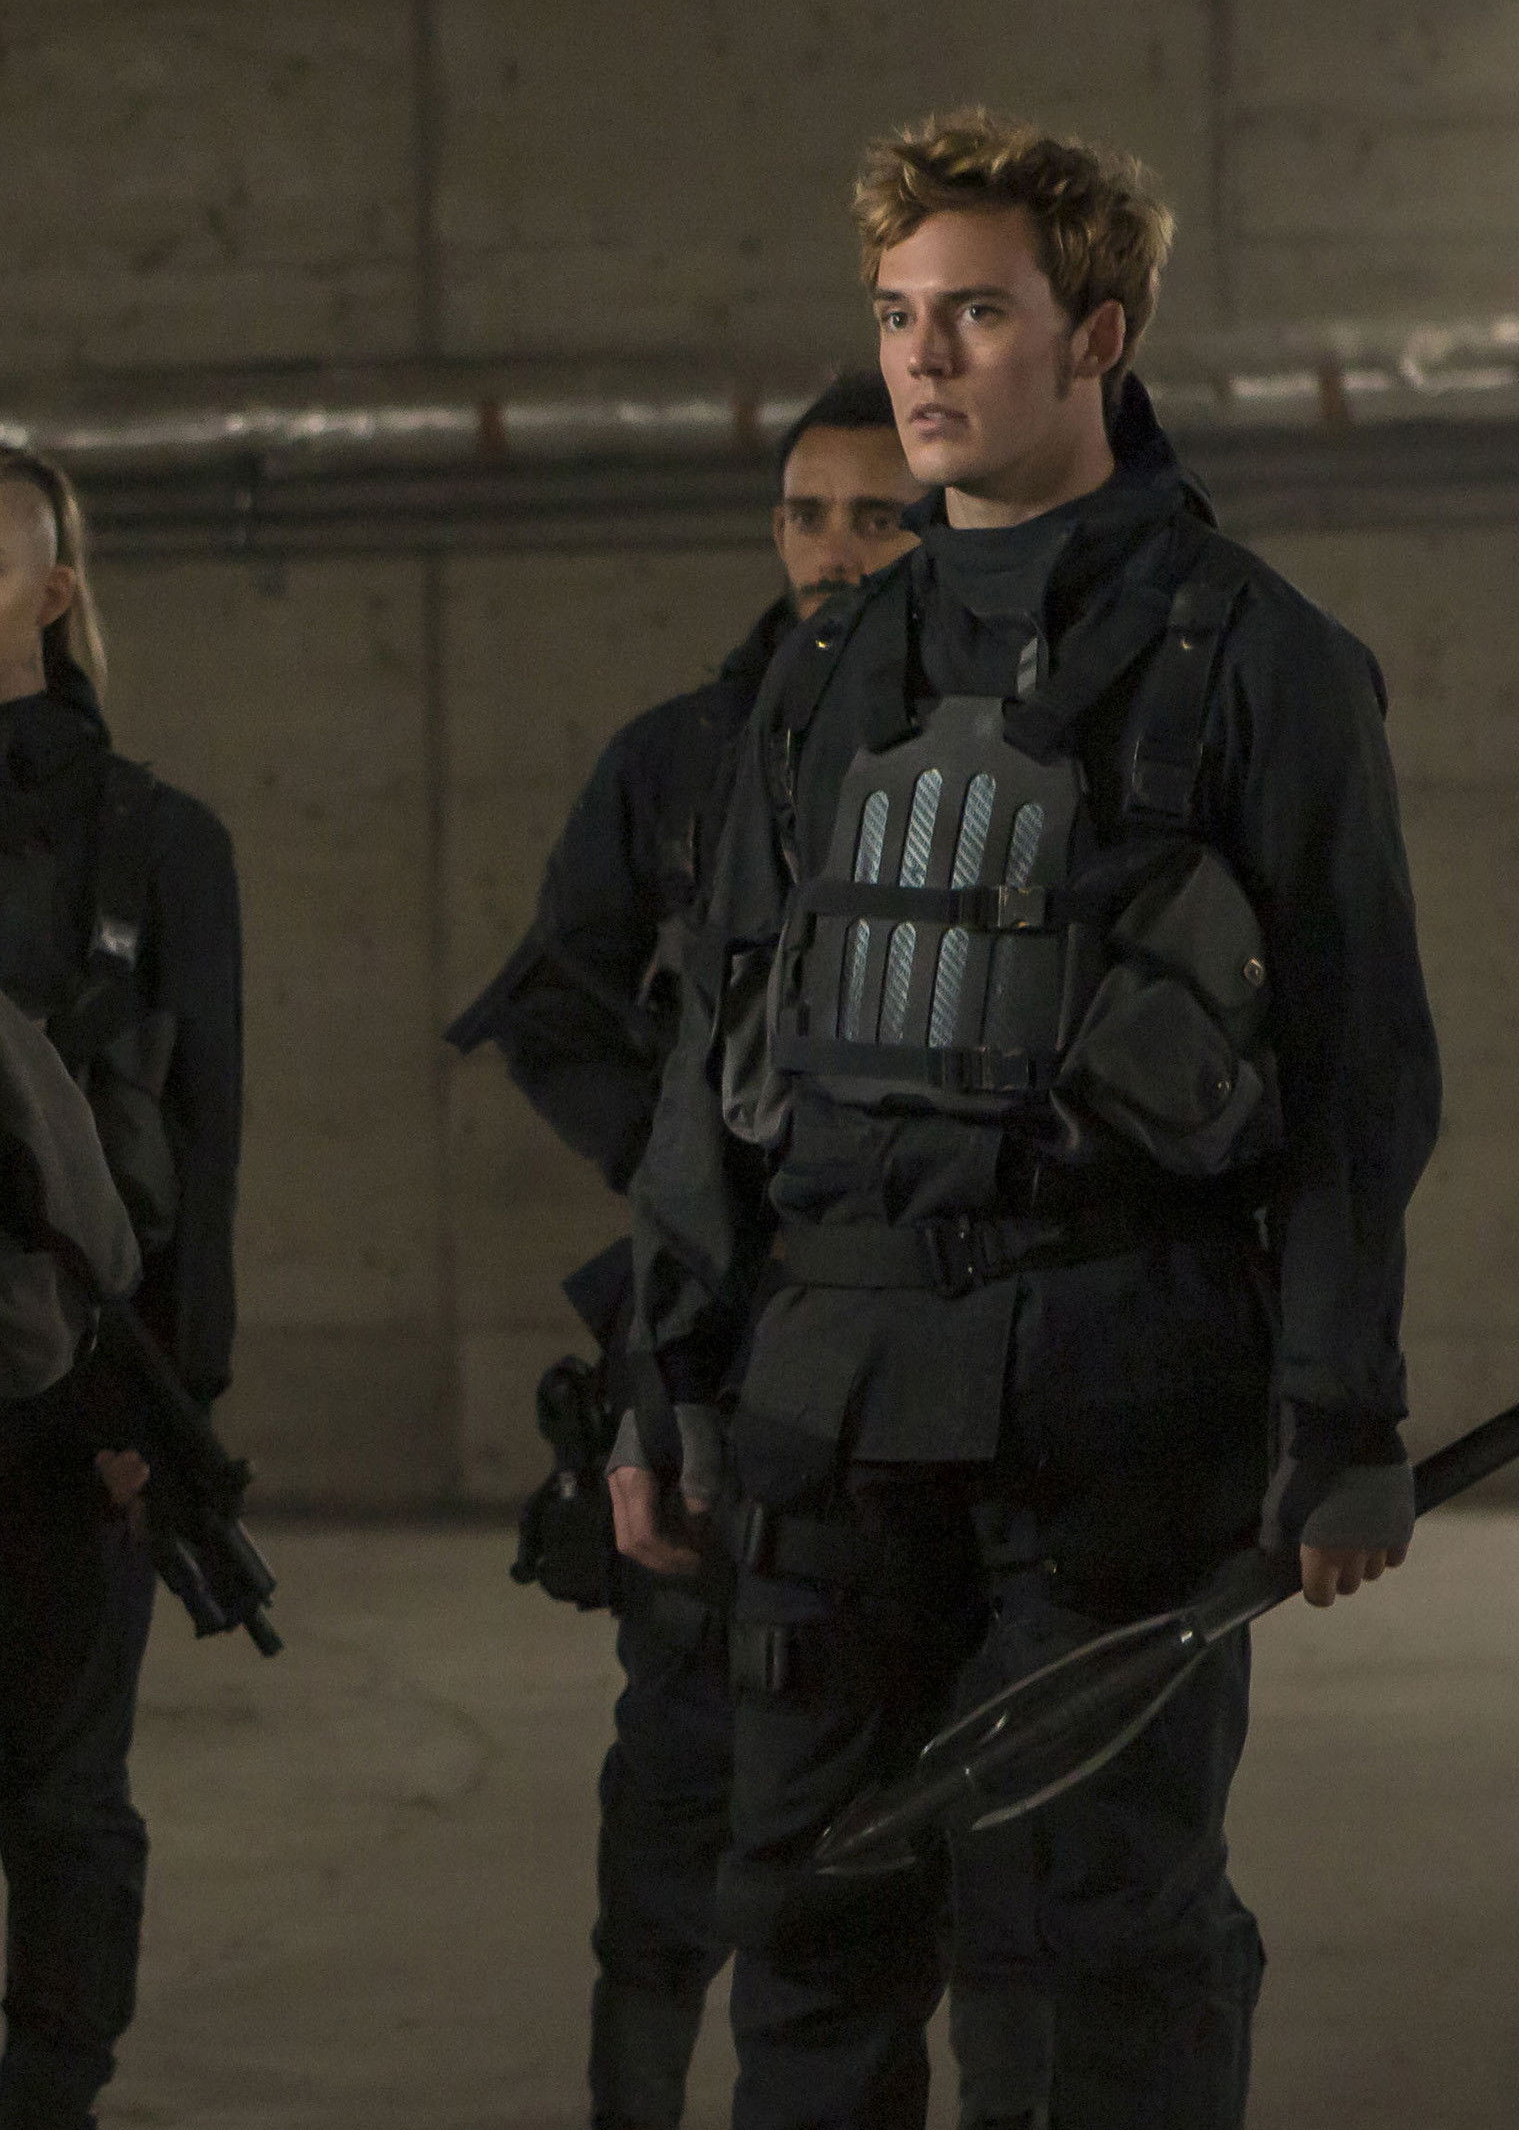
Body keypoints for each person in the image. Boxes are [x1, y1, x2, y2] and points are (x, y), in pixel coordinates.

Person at [627, 110, 1436, 2130]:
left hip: (1116, 1398)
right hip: (833, 1392)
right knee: (809, 1928)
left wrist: (1339, 1417)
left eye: (976, 314)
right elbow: (724, 1038)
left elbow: (1357, 1073)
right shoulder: (828, 670)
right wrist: (667, 1379)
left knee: (1099, 1948)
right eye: (898, 313)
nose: (922, 357)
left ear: (1099, 335)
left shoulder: (1260, 659)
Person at [448, 372, 943, 2130]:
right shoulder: (682, 756)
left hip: (939, 1338)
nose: (832, 551)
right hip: (714, 1339)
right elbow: (551, 1002)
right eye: (805, 514)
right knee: (673, 1801)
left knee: (964, 1836)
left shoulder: (999, 753)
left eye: (875, 518)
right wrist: (683, 1165)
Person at [0, 440, 241, 2130]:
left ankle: (51, 2095)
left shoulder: (158, 840)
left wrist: (171, 1400)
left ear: (56, 590)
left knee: (65, 1788)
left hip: (86, 1363)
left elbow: (206, 1137)